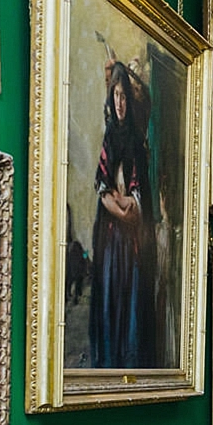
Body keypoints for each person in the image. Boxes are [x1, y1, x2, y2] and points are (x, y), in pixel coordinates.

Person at [89, 58, 157, 369]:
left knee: (131, 297)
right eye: (115, 95)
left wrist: (133, 206)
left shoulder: (138, 144)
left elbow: (140, 197)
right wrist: (120, 207)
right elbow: (103, 189)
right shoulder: (109, 139)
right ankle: (110, 359)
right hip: (112, 238)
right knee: (110, 295)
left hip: (131, 241)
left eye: (124, 96)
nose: (119, 103)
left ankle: (129, 360)